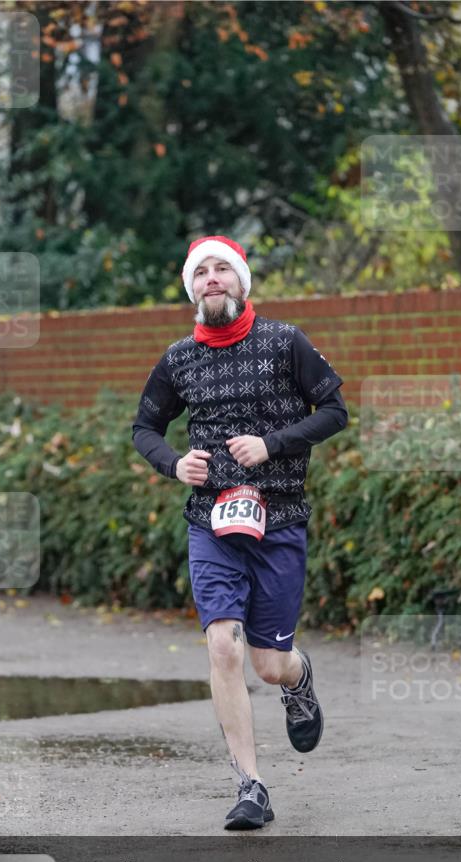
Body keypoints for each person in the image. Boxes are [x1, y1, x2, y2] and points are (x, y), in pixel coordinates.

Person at [132, 236, 348, 830]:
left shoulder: (285, 341)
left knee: (268, 664)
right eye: (201, 271)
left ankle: (298, 678)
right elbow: (144, 428)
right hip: (211, 522)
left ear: (241, 281)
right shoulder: (178, 359)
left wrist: (271, 445)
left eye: (222, 268)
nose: (212, 278)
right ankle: (250, 786)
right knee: (222, 645)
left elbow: (335, 411)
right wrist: (174, 463)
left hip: (279, 521)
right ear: (192, 289)